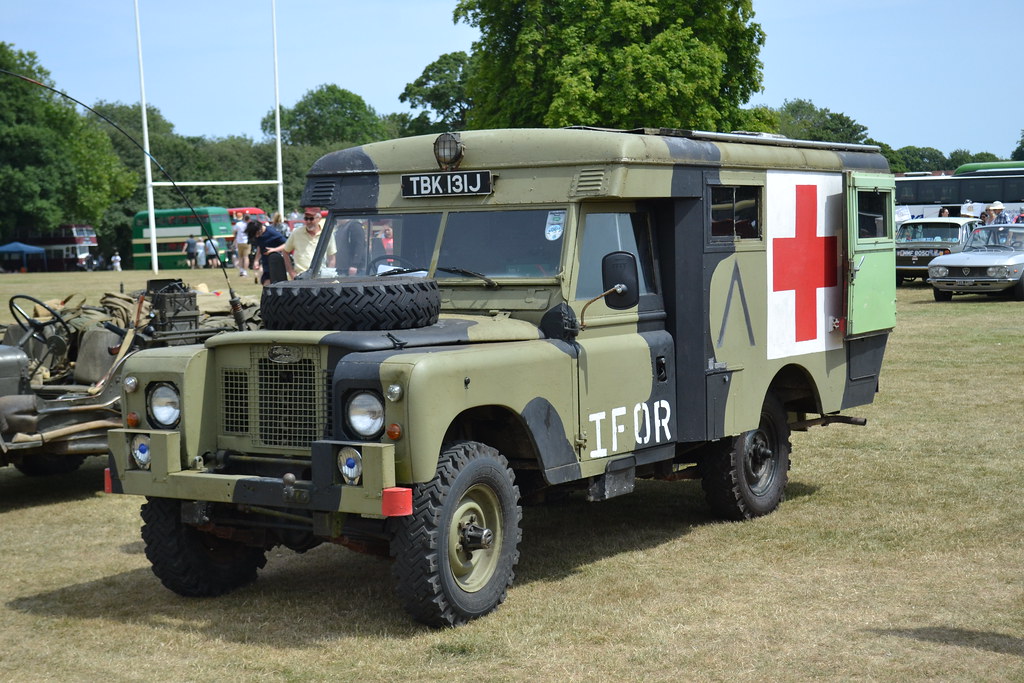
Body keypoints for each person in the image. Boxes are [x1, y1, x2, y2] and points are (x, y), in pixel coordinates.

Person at [265, 206, 336, 277]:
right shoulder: (296, 233)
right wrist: (291, 272)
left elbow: (332, 257)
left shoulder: (327, 234)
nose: (308, 221)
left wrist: (328, 275)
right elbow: (285, 251)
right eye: (306, 218)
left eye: (311, 219)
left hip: (321, 277)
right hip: (301, 276)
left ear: (319, 219)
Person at [246, 219, 287, 284]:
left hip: (276, 264)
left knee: (273, 286)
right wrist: (256, 260)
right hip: (265, 264)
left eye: (257, 234)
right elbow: (260, 246)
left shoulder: (272, 232)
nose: (256, 236)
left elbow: (286, 244)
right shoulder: (258, 236)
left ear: (260, 229)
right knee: (265, 284)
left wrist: (274, 250)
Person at [232, 212, 250, 277]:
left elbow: (234, 232)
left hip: (239, 242)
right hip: (247, 242)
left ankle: (241, 270)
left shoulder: (238, 224)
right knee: (246, 257)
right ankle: (245, 271)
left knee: (240, 257)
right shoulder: (249, 225)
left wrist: (236, 237)